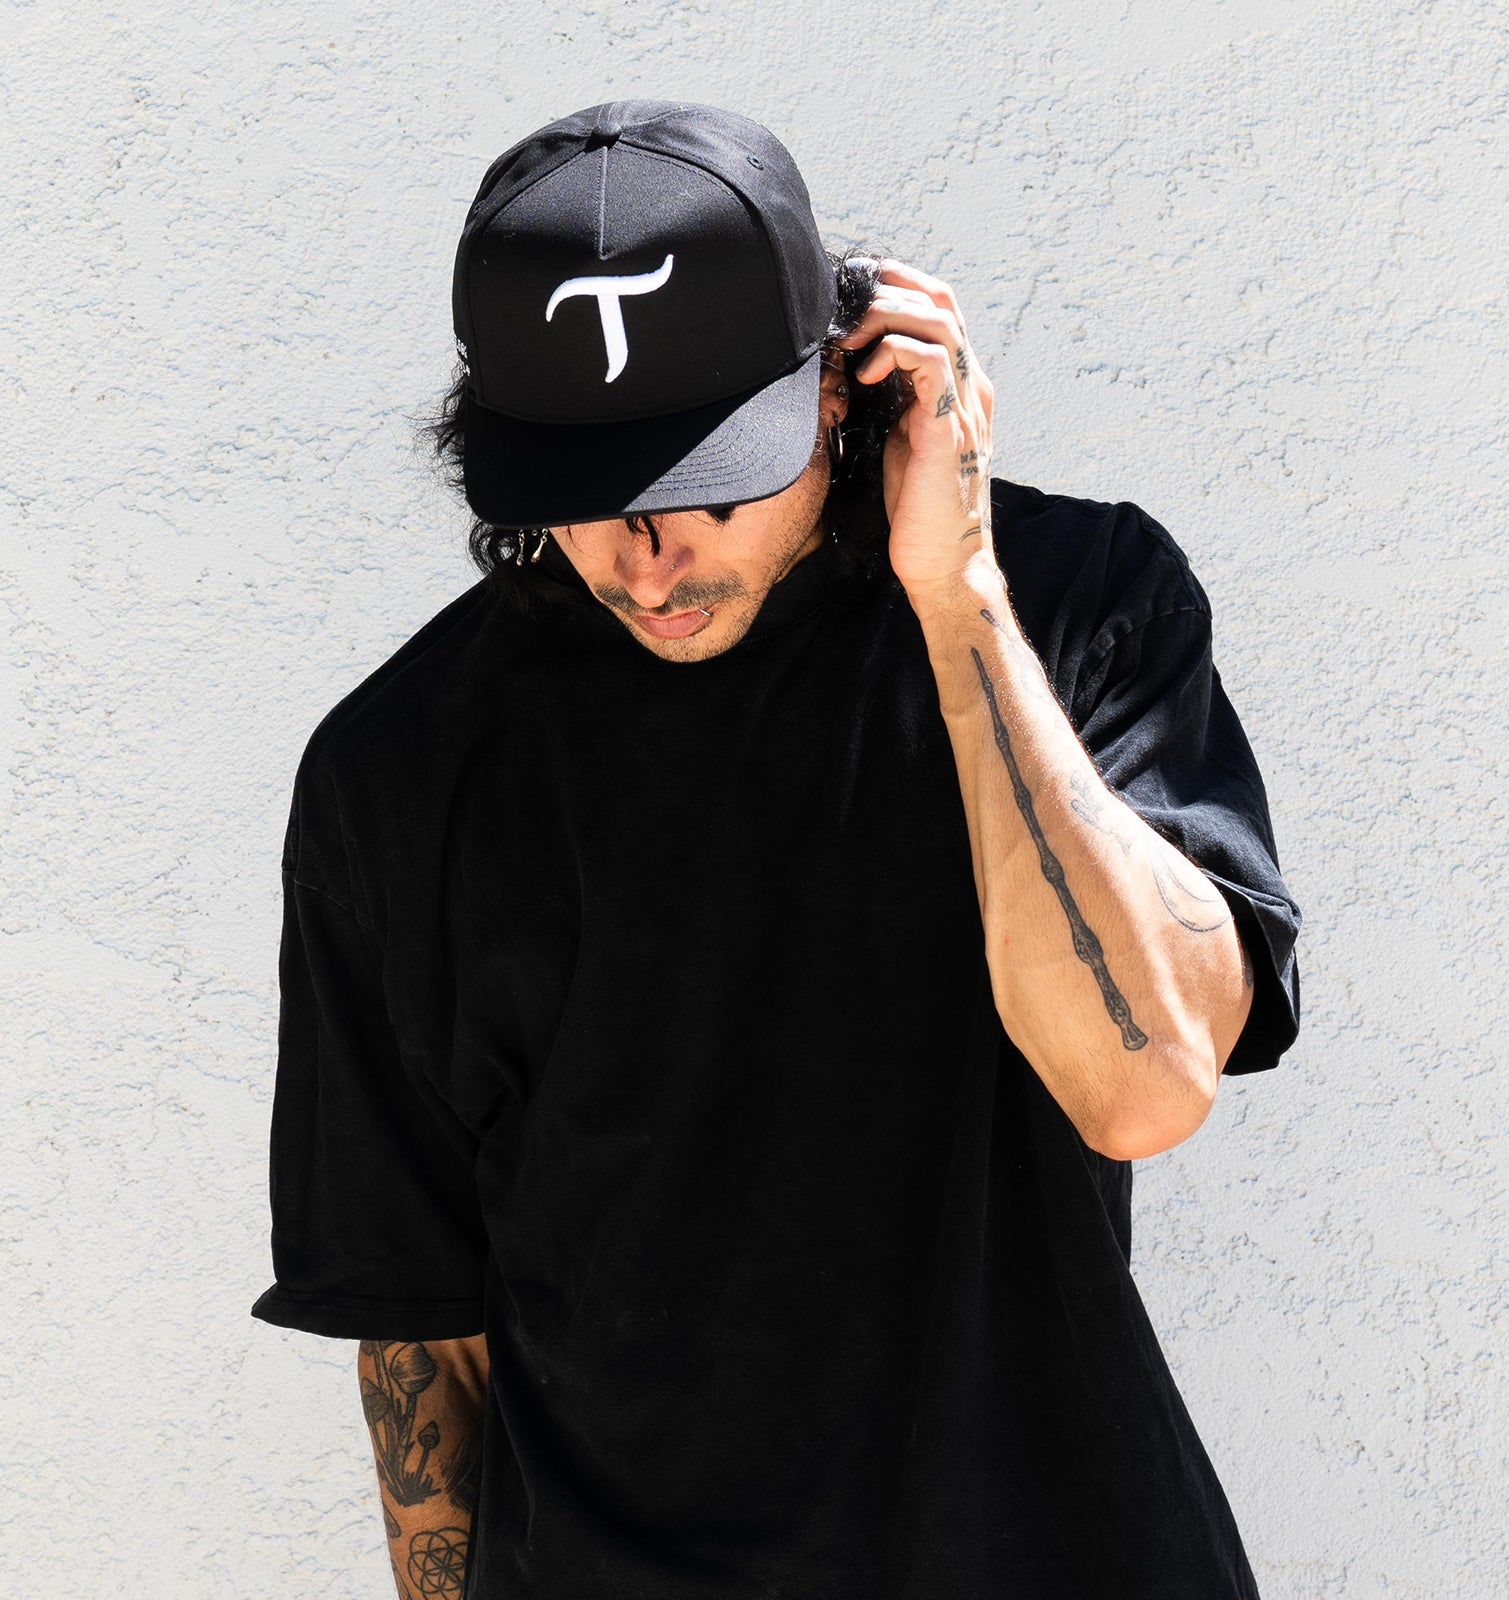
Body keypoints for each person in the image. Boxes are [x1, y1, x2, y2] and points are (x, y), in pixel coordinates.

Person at [252, 98, 1303, 1600]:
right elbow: (424, 1331)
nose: (648, 560)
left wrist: (959, 596)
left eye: (705, 481)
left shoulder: (1073, 607)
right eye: (586, 495)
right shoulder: (402, 771)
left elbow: (1143, 1089)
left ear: (836, 391)